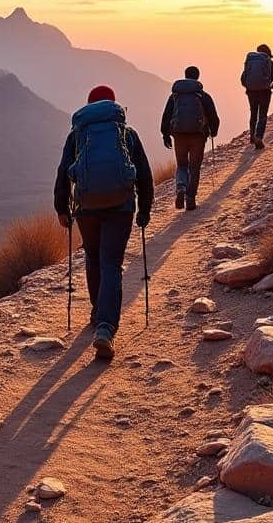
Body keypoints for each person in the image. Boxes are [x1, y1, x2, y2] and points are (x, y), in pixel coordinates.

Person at [54, 84, 154, 362]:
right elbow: (144, 175)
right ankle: (106, 328)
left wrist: (61, 209)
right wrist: (145, 210)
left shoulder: (77, 135)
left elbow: (63, 173)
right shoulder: (126, 133)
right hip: (121, 208)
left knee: (93, 258)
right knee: (112, 263)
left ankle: (98, 312)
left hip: (86, 208)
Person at [160, 66, 220, 211]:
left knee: (182, 165)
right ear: (197, 77)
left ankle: (181, 187)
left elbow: (166, 116)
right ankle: (190, 198)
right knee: (194, 168)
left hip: (179, 135)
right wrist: (213, 131)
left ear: (185, 76)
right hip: (198, 135)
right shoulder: (203, 96)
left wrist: (165, 134)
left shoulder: (174, 96)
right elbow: (213, 116)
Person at [239, 44, 273, 150]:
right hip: (265, 91)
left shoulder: (250, 62)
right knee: (263, 114)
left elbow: (243, 78)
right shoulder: (269, 62)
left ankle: (252, 136)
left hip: (251, 92)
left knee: (253, 113)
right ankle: (259, 137)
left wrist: (249, 86)